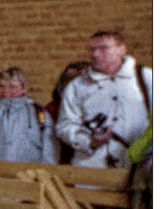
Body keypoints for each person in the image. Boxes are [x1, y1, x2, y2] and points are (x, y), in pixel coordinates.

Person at [54, 30, 152, 169]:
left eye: (103, 48)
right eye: (92, 49)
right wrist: (88, 141)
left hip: (140, 168)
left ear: (122, 49)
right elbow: (65, 126)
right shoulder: (78, 86)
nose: (95, 54)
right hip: (93, 169)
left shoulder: (147, 78)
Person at [46, 61, 88, 165]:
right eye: (67, 80)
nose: (70, 85)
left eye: (77, 80)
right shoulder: (50, 110)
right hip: (59, 163)